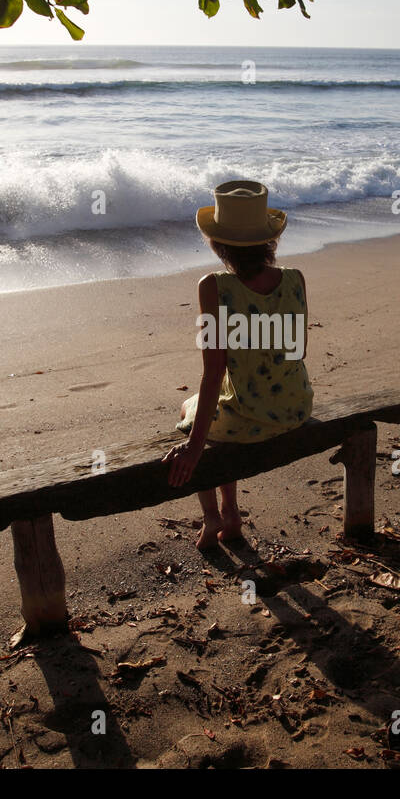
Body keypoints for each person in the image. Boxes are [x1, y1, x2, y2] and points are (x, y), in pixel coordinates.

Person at [163, 180, 314, 550]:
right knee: (223, 402)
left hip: (250, 417)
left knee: (192, 407)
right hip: (296, 405)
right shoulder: (295, 279)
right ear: (268, 240)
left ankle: (215, 515)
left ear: (218, 243)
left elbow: (213, 373)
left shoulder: (213, 287)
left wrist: (195, 447)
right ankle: (231, 512)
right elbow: (298, 350)